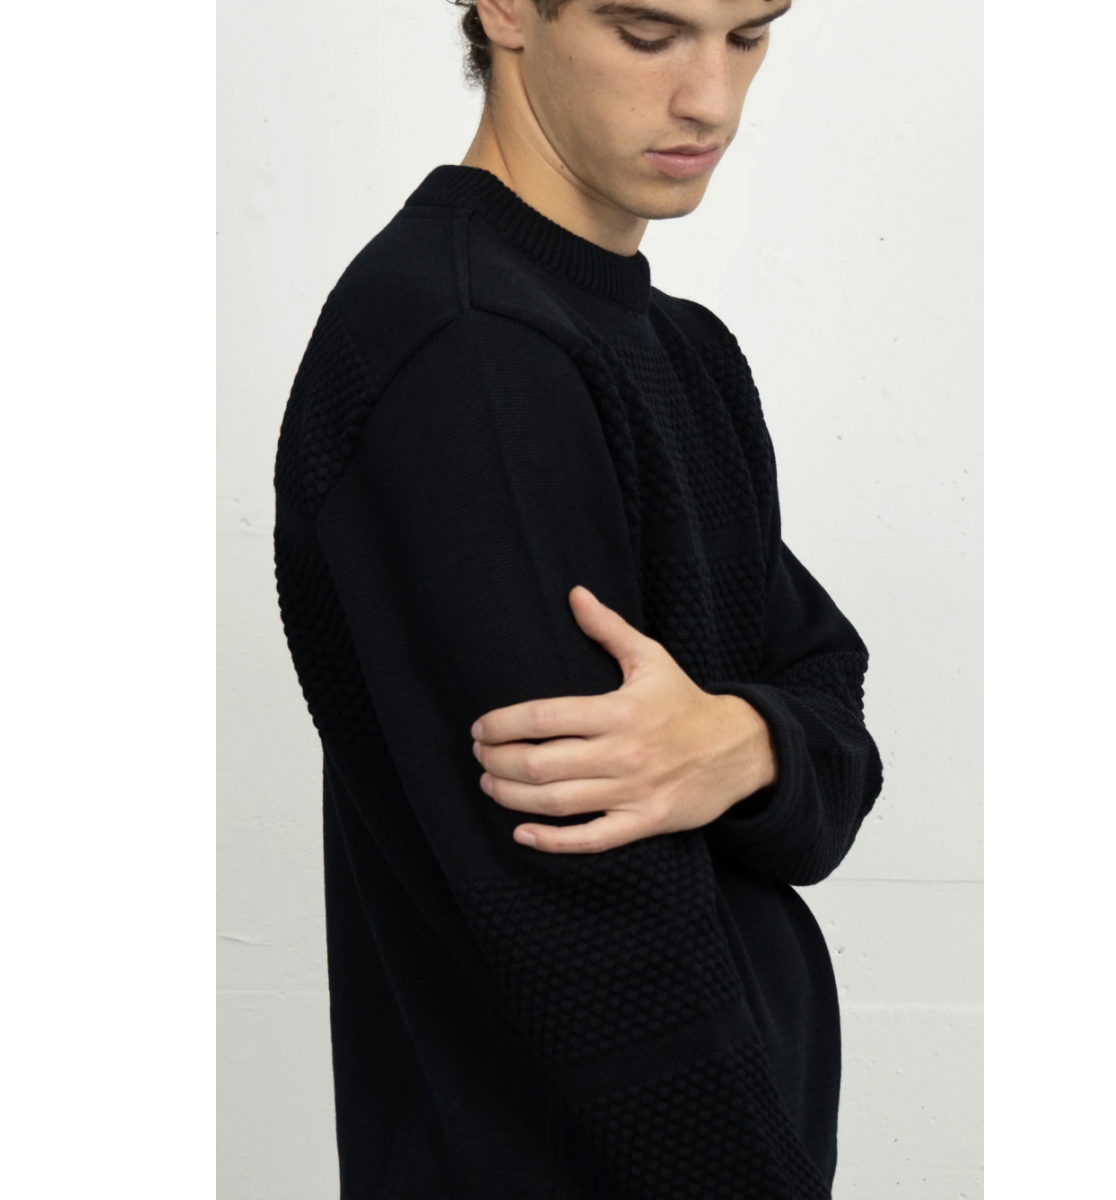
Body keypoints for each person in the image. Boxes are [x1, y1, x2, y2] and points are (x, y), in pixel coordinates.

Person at [272, 1, 884, 1196]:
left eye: (748, 36)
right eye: (649, 35)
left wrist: (752, 742)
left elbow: (832, 704)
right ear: (506, 9)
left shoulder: (684, 349)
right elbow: (592, 916)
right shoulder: (465, 347)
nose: (711, 99)